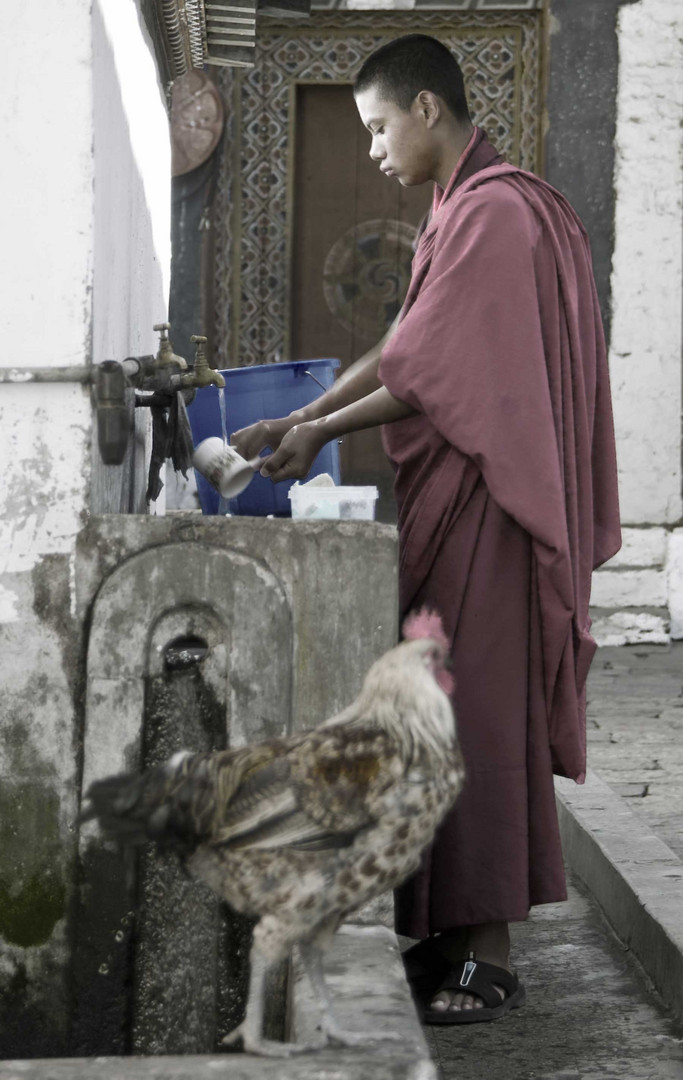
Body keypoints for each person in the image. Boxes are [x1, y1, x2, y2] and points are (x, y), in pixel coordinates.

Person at [231, 34, 621, 1023]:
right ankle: (447, 934)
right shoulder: (463, 209)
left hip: (494, 507)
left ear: (427, 110)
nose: (372, 150)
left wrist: (314, 425)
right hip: (463, 504)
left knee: (477, 717)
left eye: (376, 127)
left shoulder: (495, 215)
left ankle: (487, 953)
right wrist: (306, 411)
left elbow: (430, 374)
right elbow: (408, 345)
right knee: (432, 711)